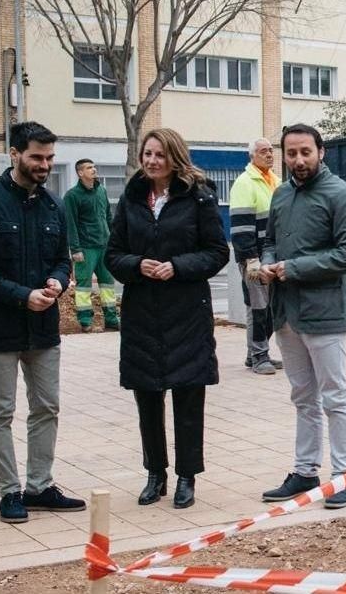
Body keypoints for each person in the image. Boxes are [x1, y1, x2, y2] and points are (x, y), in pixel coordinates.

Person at [0, 121, 85, 523]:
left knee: (47, 406)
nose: (45, 165)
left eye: (50, 158)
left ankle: (40, 486)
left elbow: (62, 259)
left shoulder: (54, 206)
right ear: (14, 154)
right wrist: (21, 295)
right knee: (0, 411)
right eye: (36, 157)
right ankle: (9, 492)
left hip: (43, 330)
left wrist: (57, 281)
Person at [105, 128, 228, 509]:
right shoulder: (131, 199)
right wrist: (136, 264)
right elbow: (112, 254)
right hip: (143, 313)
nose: (152, 161)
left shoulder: (199, 197)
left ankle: (186, 476)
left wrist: (177, 266)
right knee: (147, 396)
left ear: (174, 157)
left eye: (159, 154)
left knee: (188, 397)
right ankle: (154, 473)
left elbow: (216, 252)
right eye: (147, 154)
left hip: (187, 311)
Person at [256, 124, 346, 510]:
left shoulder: (342, 195)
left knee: (335, 396)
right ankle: (305, 472)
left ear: (322, 152)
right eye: (291, 153)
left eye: (305, 152)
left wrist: (294, 268)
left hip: (324, 315)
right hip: (286, 314)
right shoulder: (281, 194)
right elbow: (269, 241)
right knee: (303, 397)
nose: (298, 160)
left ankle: (343, 476)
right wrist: (268, 263)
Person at [228, 137, 281, 374]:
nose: (269, 154)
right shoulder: (245, 183)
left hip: (271, 256)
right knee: (258, 307)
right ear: (252, 156)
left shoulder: (275, 182)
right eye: (263, 151)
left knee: (268, 308)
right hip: (255, 257)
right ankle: (260, 356)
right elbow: (241, 226)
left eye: (271, 150)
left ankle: (255, 354)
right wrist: (250, 259)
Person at [64, 158, 117, 331]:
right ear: (80, 173)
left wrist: (114, 240)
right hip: (85, 249)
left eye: (94, 167)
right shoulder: (72, 196)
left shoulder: (101, 190)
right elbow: (70, 224)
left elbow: (108, 216)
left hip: (104, 245)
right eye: (89, 168)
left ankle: (111, 319)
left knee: (108, 283)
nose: (93, 170)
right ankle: (85, 321)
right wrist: (75, 249)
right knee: (83, 286)